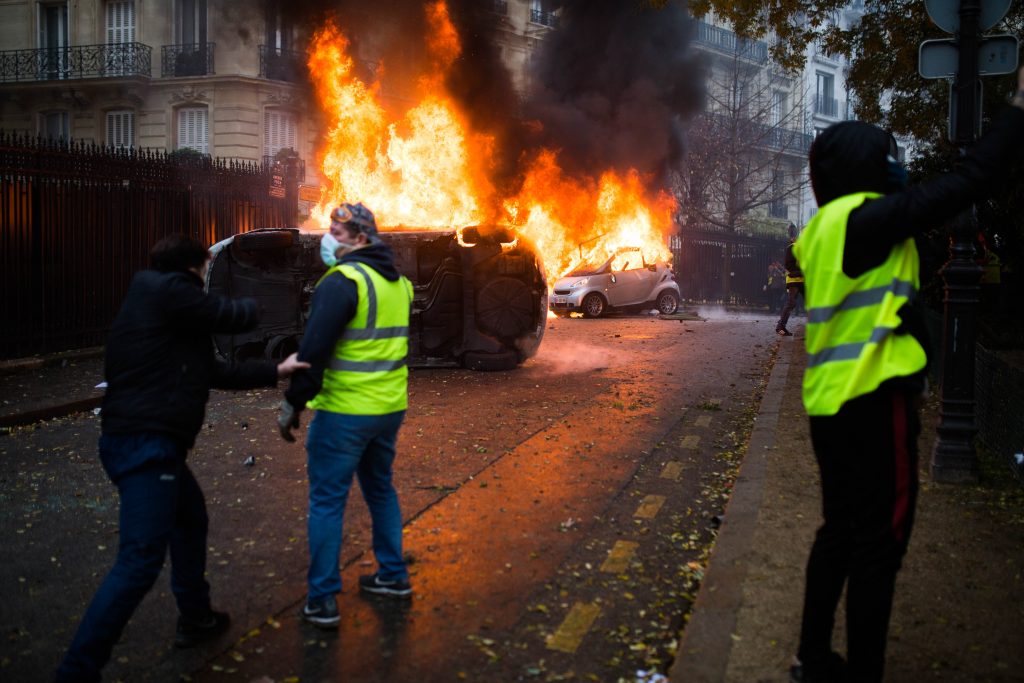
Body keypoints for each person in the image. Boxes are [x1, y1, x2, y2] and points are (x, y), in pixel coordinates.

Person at [789, 69, 1024, 683]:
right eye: (887, 158)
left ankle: (814, 660)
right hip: (874, 402)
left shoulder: (823, 229)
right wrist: (1019, 107)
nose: (898, 169)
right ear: (865, 171)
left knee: (838, 531)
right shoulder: (866, 220)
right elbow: (971, 181)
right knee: (880, 542)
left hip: (829, 406)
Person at [56, 234, 308, 682]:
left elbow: (217, 372)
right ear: (198, 264)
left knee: (190, 519)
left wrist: (276, 370)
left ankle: (196, 617)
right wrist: (259, 305)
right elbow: (227, 314)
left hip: (150, 444)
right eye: (206, 263)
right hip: (144, 446)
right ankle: (77, 671)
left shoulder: (167, 314)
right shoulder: (163, 290)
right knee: (139, 561)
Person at [278, 202, 415, 630]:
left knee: (326, 502)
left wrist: (292, 404)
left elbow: (312, 354)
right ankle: (393, 576)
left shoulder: (342, 282)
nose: (328, 238)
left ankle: (321, 600)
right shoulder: (400, 284)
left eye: (337, 232)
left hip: (344, 414)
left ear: (360, 238)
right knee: (380, 490)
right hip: (389, 409)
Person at [776, 226, 805, 336]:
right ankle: (780, 326)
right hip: (794, 280)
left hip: (802, 279)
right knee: (791, 303)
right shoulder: (792, 248)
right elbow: (789, 265)